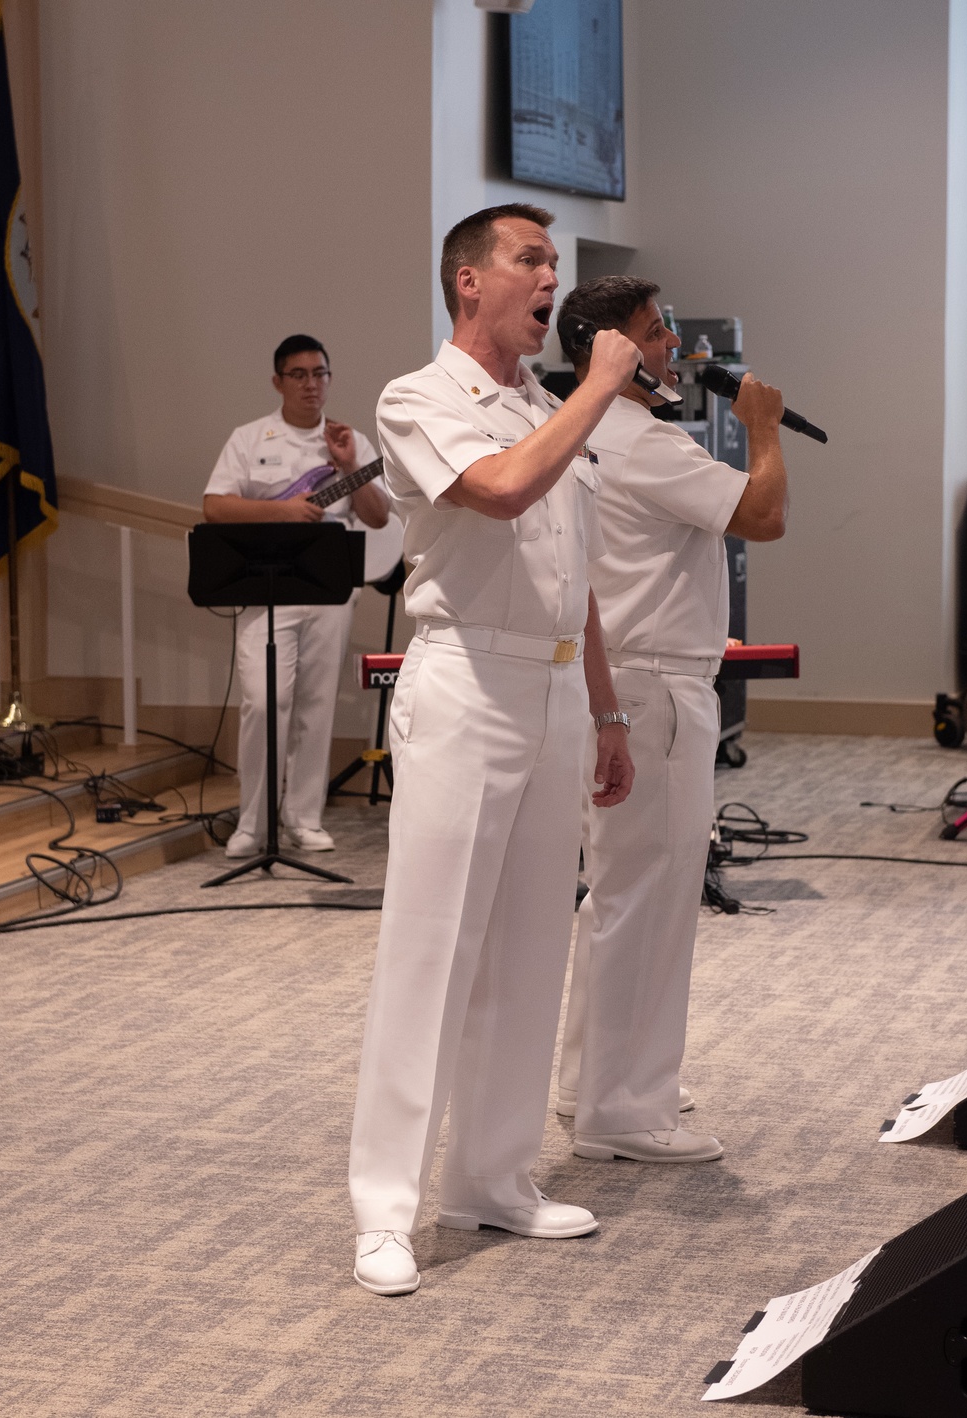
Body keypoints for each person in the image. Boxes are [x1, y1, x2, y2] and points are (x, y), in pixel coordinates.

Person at [348, 204, 639, 1296]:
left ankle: (492, 1175)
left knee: (529, 946)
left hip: (557, 679)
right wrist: (602, 387)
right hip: (466, 676)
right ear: (469, 282)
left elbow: (577, 574)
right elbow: (504, 489)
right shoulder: (417, 397)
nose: (550, 278)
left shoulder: (543, 406)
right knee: (433, 950)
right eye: (530, 259)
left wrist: (607, 713)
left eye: (555, 262)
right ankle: (384, 1206)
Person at [554, 276, 788, 1164]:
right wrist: (762, 429)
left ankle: (596, 1081)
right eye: (656, 334)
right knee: (649, 901)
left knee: (620, 895)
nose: (674, 350)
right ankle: (627, 1111)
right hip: (654, 691)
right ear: (605, 350)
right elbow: (762, 514)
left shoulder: (597, 434)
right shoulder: (636, 438)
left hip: (635, 684)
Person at [203, 335, 391, 857]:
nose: (312, 384)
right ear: (278, 381)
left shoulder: (348, 440)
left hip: (331, 591)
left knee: (315, 704)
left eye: (320, 373)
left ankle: (304, 817)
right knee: (265, 702)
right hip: (266, 593)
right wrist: (280, 511)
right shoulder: (249, 438)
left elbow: (377, 517)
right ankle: (252, 822)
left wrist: (351, 466)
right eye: (300, 374)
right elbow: (215, 506)